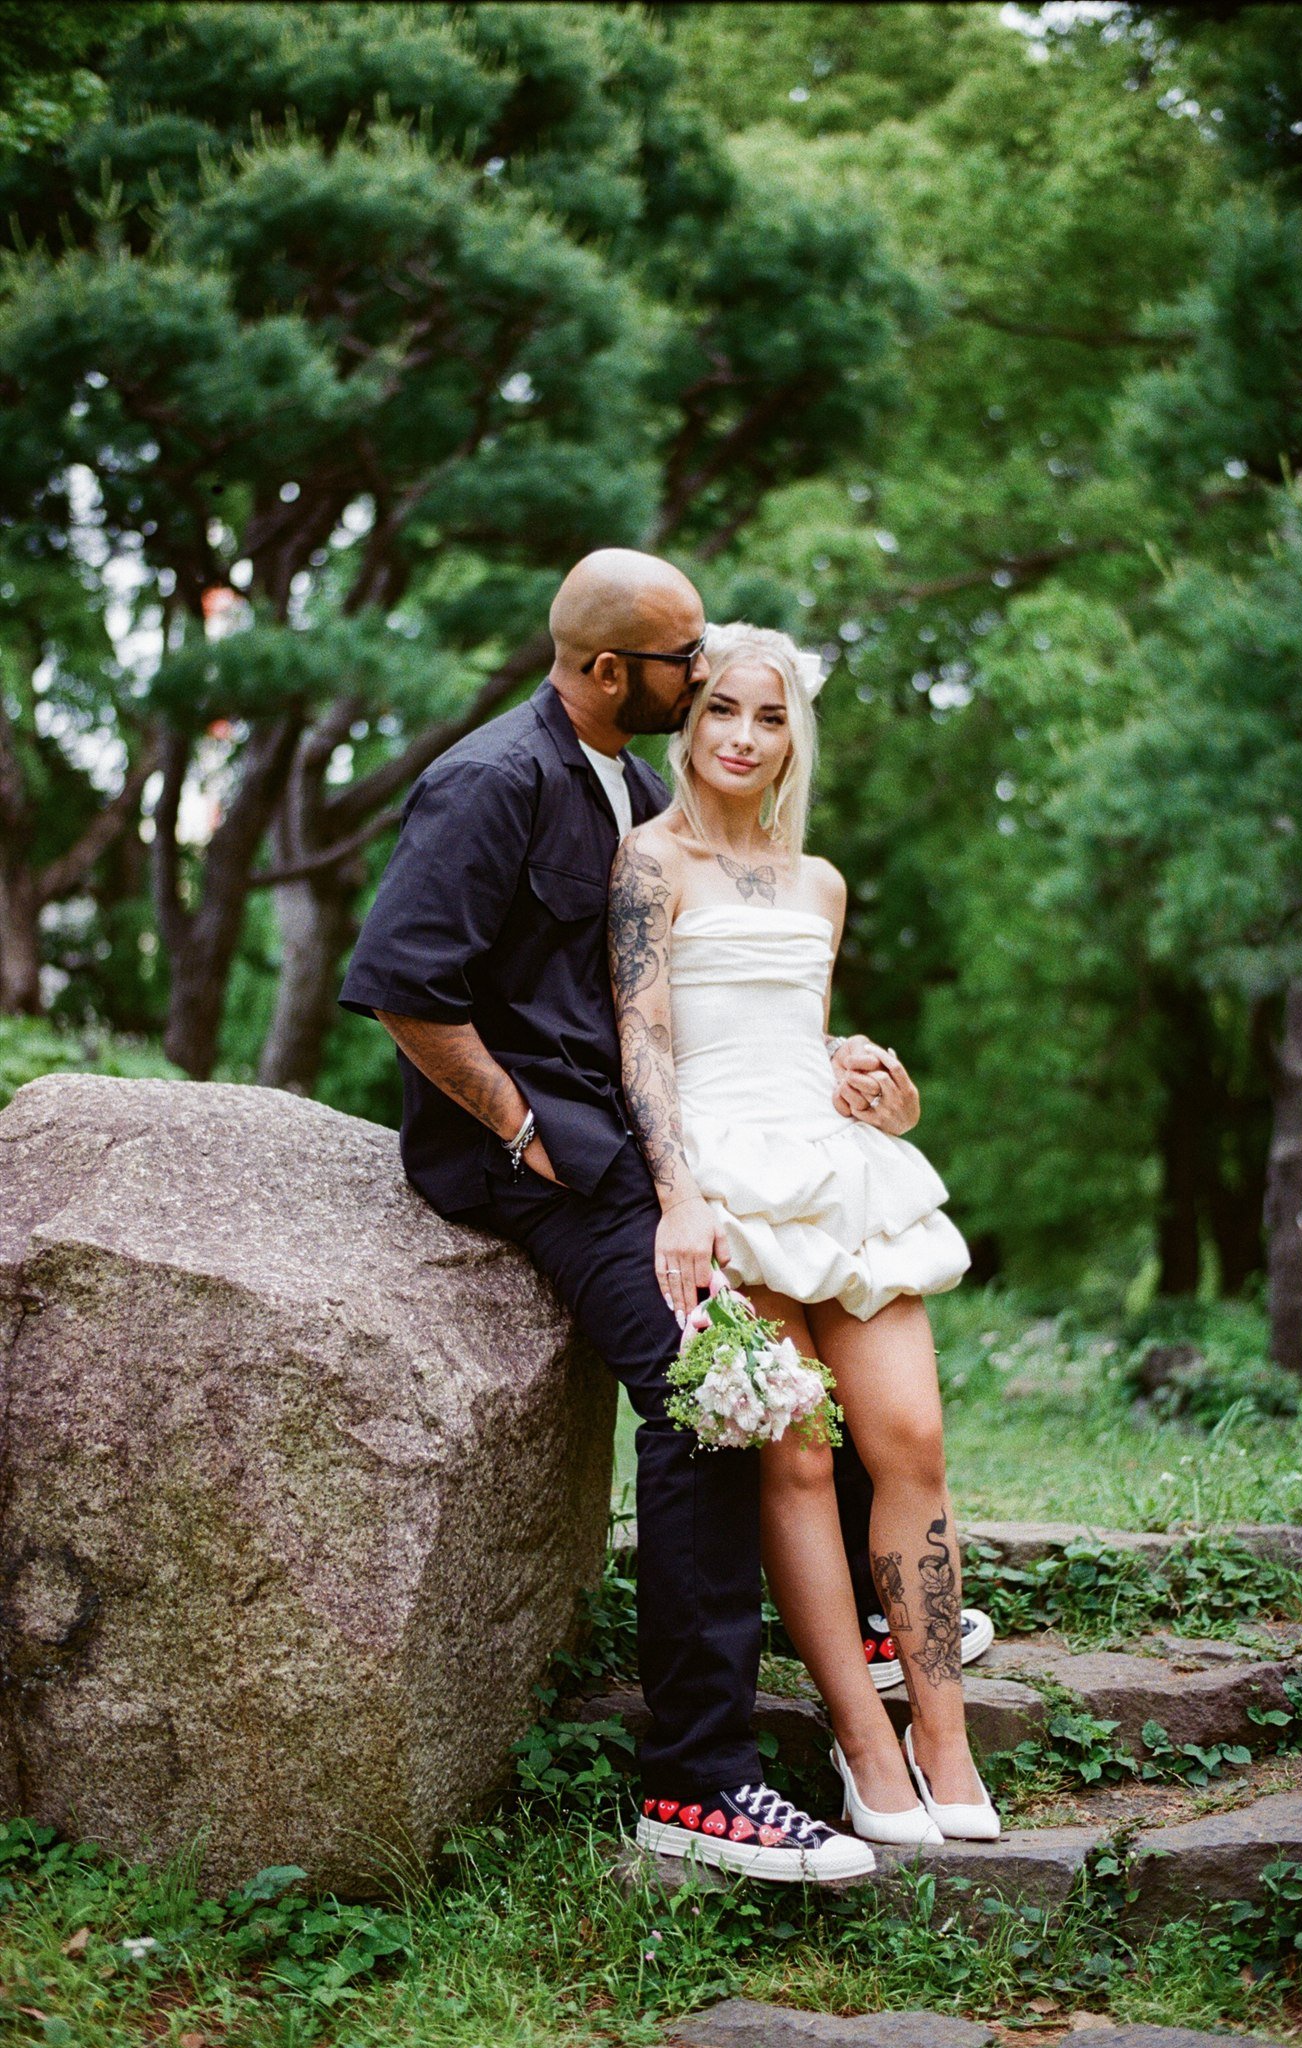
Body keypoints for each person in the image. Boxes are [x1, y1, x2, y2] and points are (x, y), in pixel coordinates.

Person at [338, 549, 920, 1881]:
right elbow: (407, 989)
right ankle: (699, 1782)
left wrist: (815, 1061)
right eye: (684, 655)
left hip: (647, 1135)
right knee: (708, 1381)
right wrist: (520, 1128)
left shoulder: (635, 784)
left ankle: (861, 1612)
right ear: (611, 670)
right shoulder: (491, 782)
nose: (704, 669)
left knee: (791, 1305)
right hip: (540, 1159)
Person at [608, 621, 999, 1850]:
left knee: (909, 1438)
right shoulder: (647, 858)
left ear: (794, 737)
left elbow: (792, 1034)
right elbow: (643, 1040)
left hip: (834, 1167)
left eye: (769, 716)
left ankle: (943, 1734)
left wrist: (883, 1092)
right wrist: (679, 1194)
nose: (741, 735)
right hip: (721, 1173)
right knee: (796, 1458)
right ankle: (864, 1740)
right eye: (721, 708)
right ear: (688, 721)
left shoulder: (817, 880)